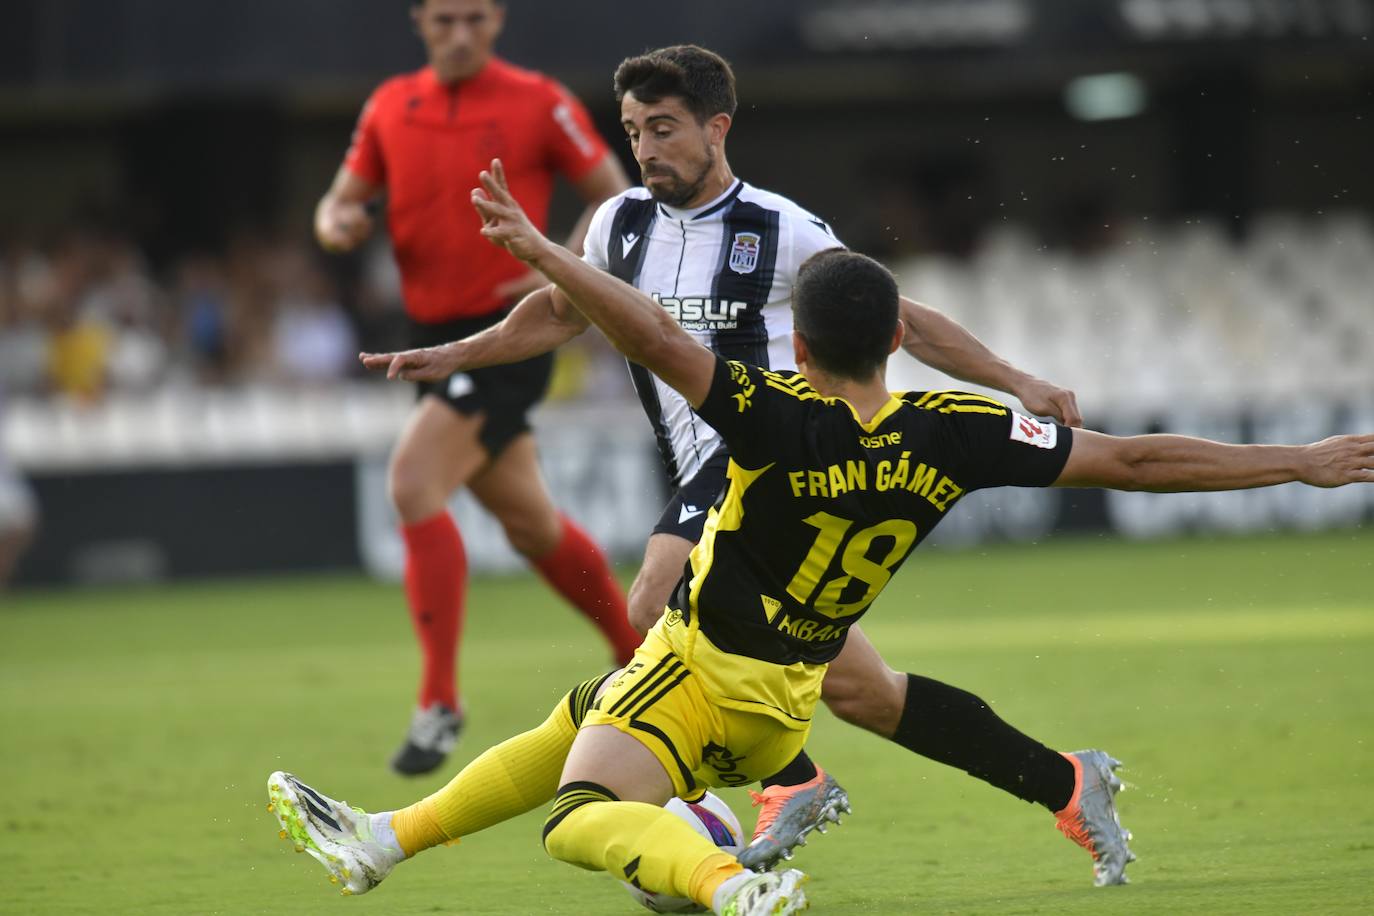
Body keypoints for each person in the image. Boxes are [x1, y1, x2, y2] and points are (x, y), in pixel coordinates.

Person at [266, 160, 1373, 914]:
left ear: (797, 343)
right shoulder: (959, 430)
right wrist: (1300, 460)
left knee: (580, 815)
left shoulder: (772, 414)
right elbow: (1133, 461)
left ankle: (724, 883)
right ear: (896, 340)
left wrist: (554, 256)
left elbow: (650, 335)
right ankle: (383, 839)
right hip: (789, 692)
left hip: (708, 675)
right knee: (585, 714)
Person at [362, 44, 1122, 885]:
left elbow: (897, 316)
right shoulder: (618, 223)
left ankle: (781, 782)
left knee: (652, 599)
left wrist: (1015, 381)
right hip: (694, 474)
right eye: (633, 132)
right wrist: (457, 353)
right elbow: (558, 312)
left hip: (764, 462)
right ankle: (1065, 781)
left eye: (664, 129)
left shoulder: (783, 228)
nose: (646, 149)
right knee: (864, 692)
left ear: (716, 128)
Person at [317, 0, 638, 775]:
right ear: (419, 22)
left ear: (497, 20)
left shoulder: (538, 100)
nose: (460, 34)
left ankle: (439, 702)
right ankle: (639, 657)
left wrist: (559, 265)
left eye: (474, 18)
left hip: (508, 333)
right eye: (444, 20)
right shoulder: (391, 105)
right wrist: (336, 224)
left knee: (412, 482)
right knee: (531, 525)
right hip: (429, 335)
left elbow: (614, 195)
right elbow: (338, 202)